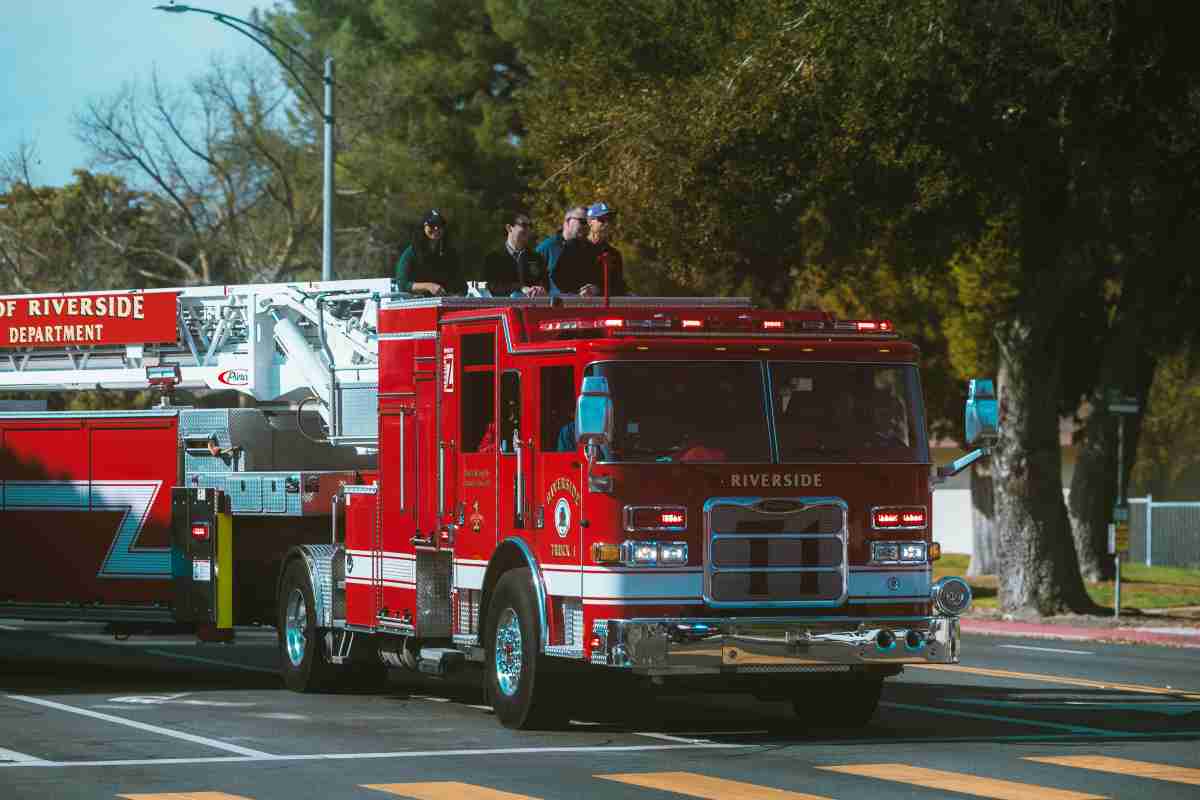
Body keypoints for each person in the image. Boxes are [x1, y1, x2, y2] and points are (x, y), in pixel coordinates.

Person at [550, 201, 627, 296]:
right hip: (576, 305)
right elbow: (557, 278)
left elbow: (619, 287)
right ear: (590, 222)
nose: (607, 224)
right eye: (602, 220)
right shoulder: (573, 247)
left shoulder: (614, 254)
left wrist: (598, 290)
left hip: (603, 307)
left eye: (610, 220)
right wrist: (578, 290)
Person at [394, 209, 459, 295]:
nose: (436, 228)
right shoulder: (411, 253)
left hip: (445, 302)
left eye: (440, 225)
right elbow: (402, 284)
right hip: (417, 303)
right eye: (432, 224)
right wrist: (429, 286)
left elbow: (460, 285)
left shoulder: (449, 253)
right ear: (423, 227)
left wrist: (455, 296)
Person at [481, 213, 547, 297]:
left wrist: (540, 289)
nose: (528, 229)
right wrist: (521, 288)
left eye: (530, 226)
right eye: (524, 225)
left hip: (532, 307)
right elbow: (492, 286)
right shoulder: (494, 258)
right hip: (504, 307)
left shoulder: (537, 258)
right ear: (509, 228)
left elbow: (545, 283)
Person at [535, 206, 588, 289]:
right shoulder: (548, 247)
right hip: (553, 300)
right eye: (582, 221)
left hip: (579, 301)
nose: (586, 226)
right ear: (567, 221)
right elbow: (532, 280)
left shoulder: (588, 248)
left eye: (588, 222)